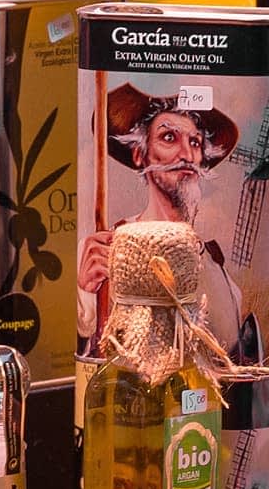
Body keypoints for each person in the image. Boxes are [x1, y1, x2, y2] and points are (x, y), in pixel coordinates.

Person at [76, 83, 247, 357]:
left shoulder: (219, 272)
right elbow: (90, 351)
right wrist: (86, 293)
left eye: (195, 142)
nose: (187, 155)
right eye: (169, 138)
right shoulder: (102, 254)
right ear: (139, 154)